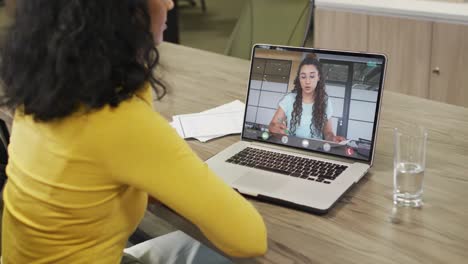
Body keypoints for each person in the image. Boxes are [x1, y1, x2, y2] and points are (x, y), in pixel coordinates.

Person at [0, 0, 267, 263]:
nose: (170, 5)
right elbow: (250, 239)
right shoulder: (119, 122)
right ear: (121, 11)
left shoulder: (42, 95)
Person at [268, 55, 345, 143]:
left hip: (315, 149)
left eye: (312, 76)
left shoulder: (325, 101)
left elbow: (328, 133)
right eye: (303, 77)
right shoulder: (289, 99)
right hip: (291, 146)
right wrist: (274, 128)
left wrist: (332, 138)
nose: (307, 81)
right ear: (299, 78)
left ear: (318, 77)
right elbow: (272, 124)